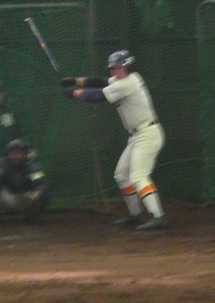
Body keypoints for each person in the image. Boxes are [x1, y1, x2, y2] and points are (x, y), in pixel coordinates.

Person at [60, 50, 168, 231]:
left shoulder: (127, 83)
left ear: (128, 67)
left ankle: (158, 216)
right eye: (112, 68)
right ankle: (135, 214)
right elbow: (101, 81)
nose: (114, 71)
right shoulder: (124, 79)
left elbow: (99, 95)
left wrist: (75, 93)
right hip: (137, 135)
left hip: (148, 134)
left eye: (118, 67)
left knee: (138, 176)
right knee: (121, 176)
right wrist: (75, 81)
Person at [0, 138, 52, 223]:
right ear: (8, 154)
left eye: (19, 153)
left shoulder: (32, 167)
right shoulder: (3, 165)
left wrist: (37, 193)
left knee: (45, 190)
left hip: (26, 198)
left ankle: (33, 214)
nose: (16, 156)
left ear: (25, 154)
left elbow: (41, 183)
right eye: (13, 153)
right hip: (7, 198)